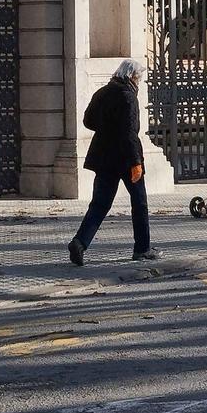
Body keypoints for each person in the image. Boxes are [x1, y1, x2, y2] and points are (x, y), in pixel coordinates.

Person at [68, 59, 160, 266]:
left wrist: (106, 128)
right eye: (139, 77)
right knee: (140, 203)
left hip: (104, 158)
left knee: (99, 204)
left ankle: (79, 242)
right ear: (132, 77)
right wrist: (136, 161)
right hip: (126, 160)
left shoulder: (102, 92)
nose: (139, 81)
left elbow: (88, 121)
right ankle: (142, 249)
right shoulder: (128, 97)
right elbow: (130, 133)